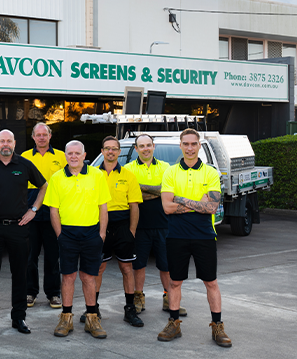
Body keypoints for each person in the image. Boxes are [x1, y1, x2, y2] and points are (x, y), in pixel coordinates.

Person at [157, 129, 231, 348]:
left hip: (204, 236)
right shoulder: (170, 172)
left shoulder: (210, 173)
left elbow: (211, 207)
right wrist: (195, 203)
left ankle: (217, 326)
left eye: (193, 144)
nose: (189, 148)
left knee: (211, 282)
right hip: (176, 236)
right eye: (185, 144)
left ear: (199, 146)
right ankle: (174, 323)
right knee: (174, 281)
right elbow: (167, 208)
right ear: (180, 145)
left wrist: (180, 200)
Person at [0, 130, 47, 335]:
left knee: (20, 274)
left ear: (14, 143)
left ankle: (19, 318)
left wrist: (33, 210)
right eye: (2, 141)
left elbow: (43, 186)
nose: (5, 144)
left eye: (9, 141)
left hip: (19, 227)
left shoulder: (25, 165)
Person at [44, 140, 111, 339]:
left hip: (92, 234)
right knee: (68, 277)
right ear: (65, 155)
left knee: (89, 277)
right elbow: (53, 210)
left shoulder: (97, 175)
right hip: (68, 235)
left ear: (84, 155)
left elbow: (103, 207)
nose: (73, 157)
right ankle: (66, 318)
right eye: (69, 153)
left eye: (77, 153)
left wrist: (102, 233)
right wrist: (60, 235)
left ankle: (92, 317)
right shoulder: (57, 178)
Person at [123, 134, 187, 317]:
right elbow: (132, 195)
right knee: (139, 265)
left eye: (148, 145)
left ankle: (169, 299)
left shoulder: (166, 167)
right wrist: (157, 192)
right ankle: (138, 298)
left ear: (153, 146)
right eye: (141, 146)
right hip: (139, 225)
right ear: (136, 149)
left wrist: (142, 189)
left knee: (166, 266)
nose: (145, 149)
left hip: (165, 225)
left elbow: (169, 193)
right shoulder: (128, 169)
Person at [89, 136, 144, 327]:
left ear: (119, 152)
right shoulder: (93, 174)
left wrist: (131, 231)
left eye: (114, 149)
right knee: (98, 268)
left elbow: (134, 206)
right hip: (99, 226)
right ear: (102, 151)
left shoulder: (129, 175)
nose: (111, 152)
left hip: (122, 226)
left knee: (127, 268)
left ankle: (130, 309)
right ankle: (92, 308)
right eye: (107, 148)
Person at [20, 122, 65, 309]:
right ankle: (30, 292)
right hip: (30, 210)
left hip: (54, 210)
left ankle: (53, 293)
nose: (41, 137)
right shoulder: (24, 157)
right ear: (33, 137)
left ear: (50, 136)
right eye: (37, 135)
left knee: (53, 255)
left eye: (44, 134)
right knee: (30, 256)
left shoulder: (61, 156)